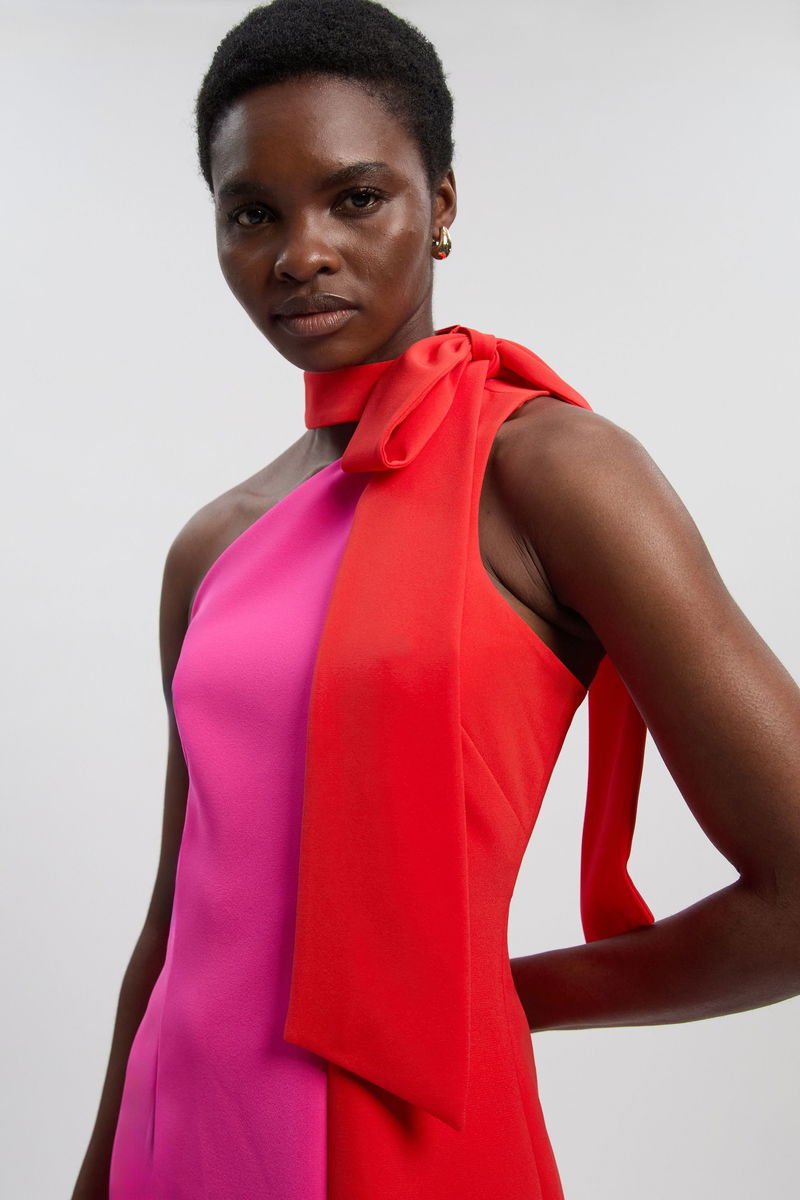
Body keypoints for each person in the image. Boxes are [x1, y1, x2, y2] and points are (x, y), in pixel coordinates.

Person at [71, 1, 800, 1197]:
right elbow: (176, 919)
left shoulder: (549, 472)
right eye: (253, 213)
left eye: (355, 197)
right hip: (180, 1131)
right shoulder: (211, 548)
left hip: (411, 1135)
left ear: (442, 204)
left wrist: (503, 996)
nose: (300, 252)